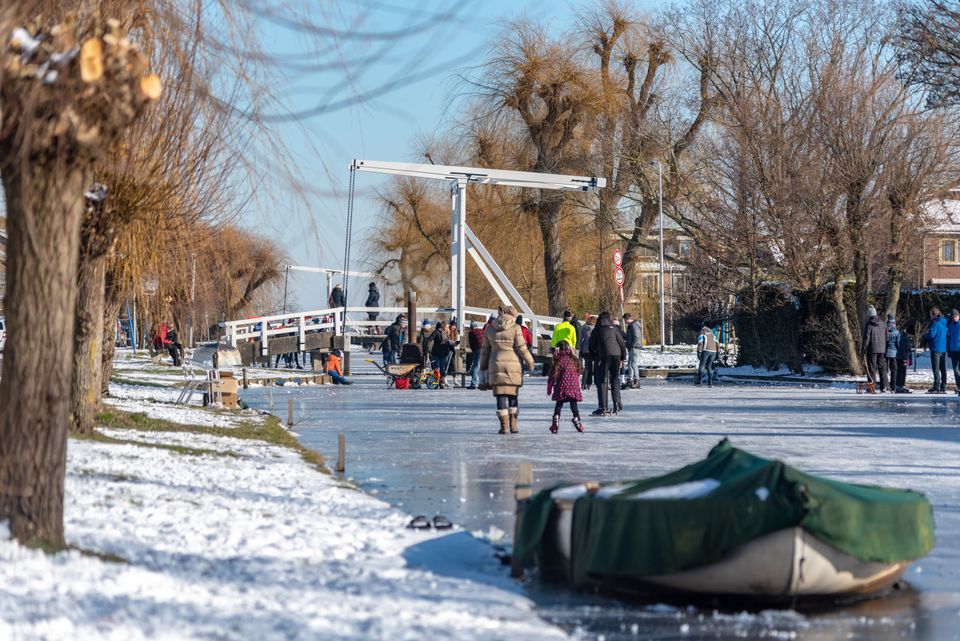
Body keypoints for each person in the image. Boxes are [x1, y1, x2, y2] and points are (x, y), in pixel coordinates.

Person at [479, 306, 535, 434]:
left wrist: (482, 369)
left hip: (496, 364)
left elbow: (484, 352)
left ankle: (503, 426)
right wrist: (530, 362)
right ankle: (513, 425)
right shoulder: (516, 328)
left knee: (500, 396)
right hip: (513, 365)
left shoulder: (490, 329)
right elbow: (522, 348)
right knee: (513, 395)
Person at [588, 311, 626, 416]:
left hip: (603, 357)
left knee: (603, 381)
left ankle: (603, 407)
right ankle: (617, 404)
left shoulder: (597, 330)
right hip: (616, 356)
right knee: (615, 379)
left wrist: (594, 358)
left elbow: (591, 346)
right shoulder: (614, 329)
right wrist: (623, 357)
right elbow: (622, 343)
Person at [548, 341, 584, 433]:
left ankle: (556, 418)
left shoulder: (558, 360)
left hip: (562, 386)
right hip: (573, 387)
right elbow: (579, 371)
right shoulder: (574, 360)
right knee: (573, 405)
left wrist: (550, 385)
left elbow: (553, 375)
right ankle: (576, 419)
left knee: (559, 404)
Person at [862, 305, 887, 393]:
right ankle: (884, 387)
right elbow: (886, 336)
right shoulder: (883, 323)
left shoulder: (869, 324)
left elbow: (867, 338)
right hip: (882, 349)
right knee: (882, 368)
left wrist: (863, 349)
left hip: (872, 349)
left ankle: (871, 387)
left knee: (872, 369)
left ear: (869, 315)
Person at [923, 307, 947, 394]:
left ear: (934, 315)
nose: (930, 317)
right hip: (943, 348)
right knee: (943, 368)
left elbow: (932, 335)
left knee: (936, 368)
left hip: (935, 347)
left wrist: (925, 336)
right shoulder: (944, 323)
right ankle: (943, 387)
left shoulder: (935, 323)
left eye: (930, 315)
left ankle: (936, 387)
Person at [430, 322, 454, 389]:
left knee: (443, 369)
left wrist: (452, 347)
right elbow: (430, 339)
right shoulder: (436, 332)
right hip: (436, 353)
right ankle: (435, 382)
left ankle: (441, 382)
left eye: (447, 327)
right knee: (436, 368)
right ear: (443, 327)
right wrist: (426, 347)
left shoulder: (447, 334)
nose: (447, 328)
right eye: (446, 327)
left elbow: (448, 343)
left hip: (443, 354)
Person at [623, 313, 643, 389]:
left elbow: (636, 336)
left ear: (627, 319)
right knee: (630, 364)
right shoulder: (631, 325)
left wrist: (633, 345)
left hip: (635, 347)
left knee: (633, 364)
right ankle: (630, 380)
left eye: (624, 320)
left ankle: (637, 380)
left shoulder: (634, 325)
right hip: (632, 347)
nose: (624, 322)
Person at [696, 322, 718, 387]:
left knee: (702, 365)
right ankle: (710, 383)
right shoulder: (712, 332)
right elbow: (717, 342)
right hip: (713, 351)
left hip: (706, 350)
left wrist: (699, 352)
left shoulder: (702, 331)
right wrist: (718, 352)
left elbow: (700, 342)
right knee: (709, 366)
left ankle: (700, 382)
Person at [895, 322, 915, 393]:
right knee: (901, 372)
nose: (912, 336)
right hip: (901, 358)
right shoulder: (904, 339)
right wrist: (905, 359)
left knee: (903, 372)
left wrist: (909, 359)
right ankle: (900, 385)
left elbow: (908, 350)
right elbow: (904, 350)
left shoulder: (906, 338)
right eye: (912, 335)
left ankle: (901, 385)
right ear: (909, 333)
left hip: (903, 358)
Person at [578, 315, 595, 390]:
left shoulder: (583, 329)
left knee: (587, 367)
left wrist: (581, 350)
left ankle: (584, 383)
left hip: (585, 350)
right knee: (590, 367)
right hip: (593, 350)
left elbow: (581, 340)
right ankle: (588, 382)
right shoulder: (595, 330)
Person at [885, 313, 900, 394]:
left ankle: (884, 385)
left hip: (885, 352)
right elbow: (898, 343)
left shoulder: (885, 331)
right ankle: (893, 387)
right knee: (894, 370)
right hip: (894, 353)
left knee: (884, 370)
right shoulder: (897, 332)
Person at [467, 320, 484, 389]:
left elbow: (471, 345)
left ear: (471, 327)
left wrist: (475, 352)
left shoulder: (471, 333)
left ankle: (474, 384)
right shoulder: (481, 331)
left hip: (479, 350)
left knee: (475, 367)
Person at [948, 309, 960, 395]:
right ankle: (958, 386)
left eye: (955, 316)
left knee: (958, 369)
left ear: (958, 316)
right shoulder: (951, 325)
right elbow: (948, 337)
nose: (954, 318)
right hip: (953, 350)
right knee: (955, 369)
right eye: (953, 317)